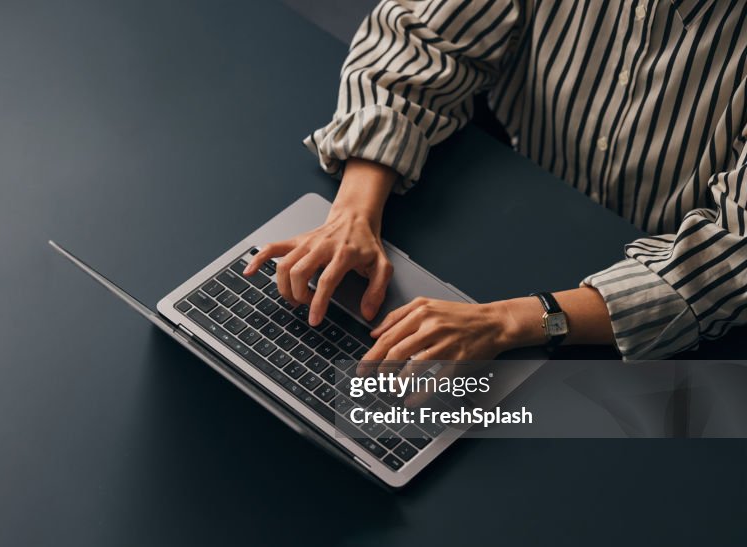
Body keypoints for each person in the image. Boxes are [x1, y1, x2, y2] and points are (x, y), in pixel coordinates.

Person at [244, 0, 747, 361]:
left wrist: (505, 323)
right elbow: (419, 40)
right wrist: (352, 214)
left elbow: (727, 263)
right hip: (517, 211)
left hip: (653, 333)